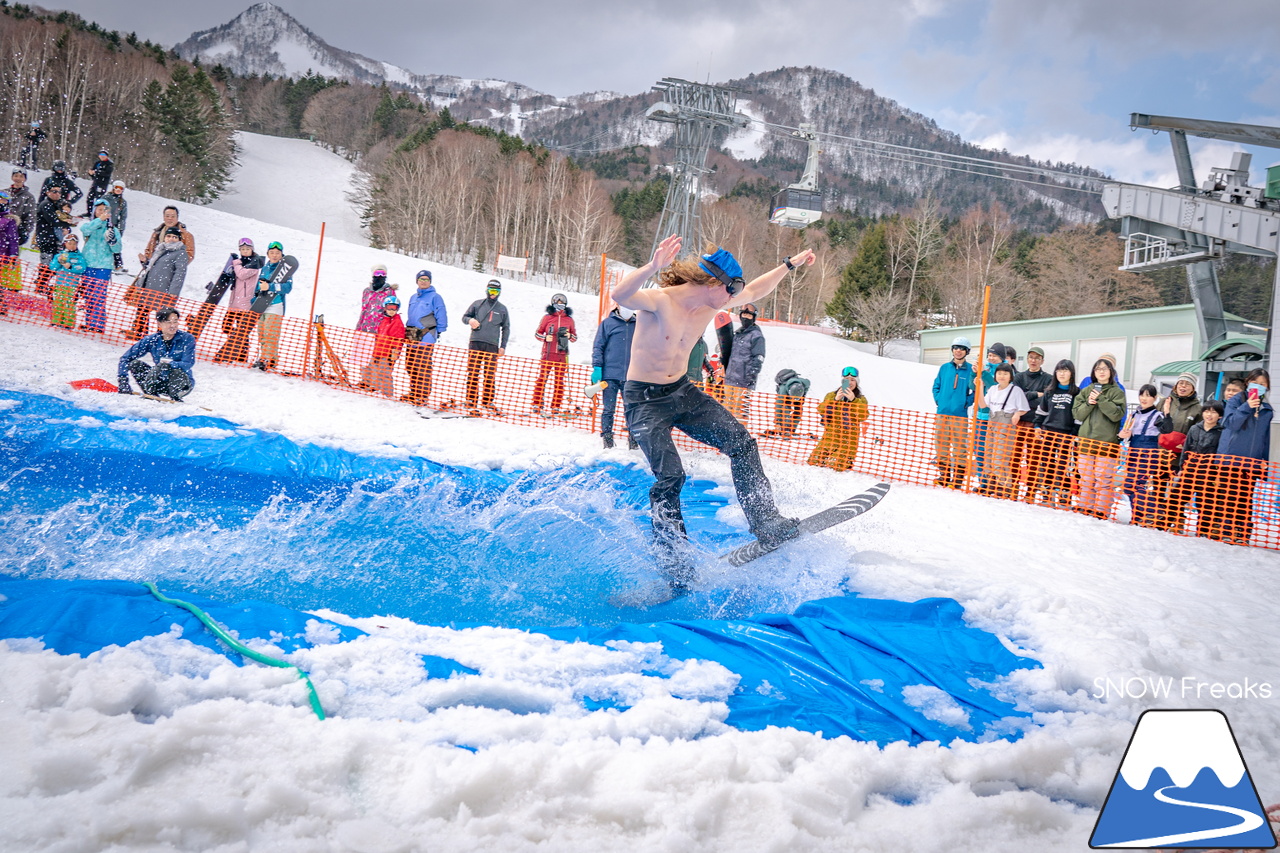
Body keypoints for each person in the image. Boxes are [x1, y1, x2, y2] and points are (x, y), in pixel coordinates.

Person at [613, 235, 816, 590]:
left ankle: (766, 520)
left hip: (681, 391)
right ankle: (675, 565)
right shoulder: (660, 301)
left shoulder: (711, 304)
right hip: (644, 401)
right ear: (712, 283)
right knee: (670, 479)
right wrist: (651, 268)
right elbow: (620, 296)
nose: (736, 296)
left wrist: (788, 265)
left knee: (742, 443)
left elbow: (756, 290)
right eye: (731, 287)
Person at [1216, 368, 1273, 545]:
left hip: (1252, 461)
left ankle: (1243, 533)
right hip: (1231, 459)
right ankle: (1226, 530)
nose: (1259, 387)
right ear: (1248, 383)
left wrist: (1264, 462)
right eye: (1256, 383)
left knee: (1246, 499)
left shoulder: (1267, 409)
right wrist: (1247, 406)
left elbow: (1266, 436)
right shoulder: (1235, 401)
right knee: (1229, 496)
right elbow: (1231, 424)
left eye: (1263, 384)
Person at [1071, 358, 1126, 519]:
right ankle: (1085, 506)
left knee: (1103, 478)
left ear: (1111, 372)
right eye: (1098, 369)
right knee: (1086, 476)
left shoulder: (1117, 392)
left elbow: (1117, 415)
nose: (1101, 372)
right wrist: (1089, 403)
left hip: (1107, 442)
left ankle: (1101, 510)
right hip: (1086, 440)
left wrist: (1101, 399)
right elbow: (1077, 414)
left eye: (1105, 369)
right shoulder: (1086, 390)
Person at [117, 307, 196, 400]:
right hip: (159, 380)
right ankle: (151, 394)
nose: (172, 325)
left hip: (182, 383)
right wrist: (123, 381)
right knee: (135, 364)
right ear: (159, 324)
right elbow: (126, 358)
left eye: (175, 322)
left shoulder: (187, 338)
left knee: (176, 372)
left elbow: (188, 363)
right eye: (168, 322)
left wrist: (170, 365)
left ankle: (175, 396)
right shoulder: (152, 340)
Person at [1174, 399, 1225, 540]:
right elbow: (1186, 448)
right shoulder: (1194, 428)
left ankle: (1204, 528)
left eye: (1214, 412)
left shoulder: (1221, 432)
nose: (1209, 415)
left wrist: (1218, 473)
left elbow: (1221, 452)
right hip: (1190, 469)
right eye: (1207, 411)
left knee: (1206, 502)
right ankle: (1177, 521)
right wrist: (1182, 466)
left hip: (1209, 472)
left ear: (1219, 416)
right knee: (1177, 496)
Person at [127, 226, 189, 341]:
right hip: (149, 288)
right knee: (142, 311)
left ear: (179, 240)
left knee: (163, 316)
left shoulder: (180, 253)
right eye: (169, 236)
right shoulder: (161, 249)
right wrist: (145, 262)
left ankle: (161, 339)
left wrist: (173, 291)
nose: (171, 239)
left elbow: (180, 273)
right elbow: (153, 267)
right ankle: (140, 334)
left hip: (164, 290)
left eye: (175, 237)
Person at [931, 336, 976, 489]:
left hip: (959, 415)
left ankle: (957, 479)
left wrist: (966, 402)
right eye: (956, 347)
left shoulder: (970, 370)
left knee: (959, 447)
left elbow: (975, 391)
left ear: (967, 351)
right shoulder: (945, 368)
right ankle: (944, 476)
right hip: (942, 413)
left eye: (962, 348)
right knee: (941, 445)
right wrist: (939, 400)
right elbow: (936, 386)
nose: (958, 351)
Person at [1034, 359, 1080, 507]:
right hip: (1048, 432)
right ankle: (1047, 495)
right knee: (1047, 464)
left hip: (1066, 434)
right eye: (1059, 370)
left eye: (1065, 370)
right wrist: (1037, 425)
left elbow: (1078, 416)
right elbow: (1041, 411)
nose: (1062, 373)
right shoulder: (1050, 391)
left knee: (1063, 466)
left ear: (1071, 373)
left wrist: (1074, 433)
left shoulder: (1076, 392)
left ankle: (1063, 496)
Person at [592, 303, 637, 450]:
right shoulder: (607, 323)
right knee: (608, 409)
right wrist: (597, 367)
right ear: (618, 306)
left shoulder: (639, 324)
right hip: (610, 375)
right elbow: (598, 346)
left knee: (632, 409)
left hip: (631, 376)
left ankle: (633, 440)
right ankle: (607, 439)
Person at [461, 279, 510, 415]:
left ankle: (488, 401)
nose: (493, 294)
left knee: (489, 374)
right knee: (473, 372)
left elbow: (506, 328)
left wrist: (503, 346)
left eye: (496, 291)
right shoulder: (478, 304)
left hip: (492, 345)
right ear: (487, 290)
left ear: (499, 293)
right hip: (476, 342)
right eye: (491, 290)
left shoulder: (502, 309)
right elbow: (464, 317)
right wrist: (470, 320)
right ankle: (471, 399)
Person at [1118, 384, 1164, 527]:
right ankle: (1137, 516)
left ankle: (1156, 510)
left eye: (1148, 395)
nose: (1144, 398)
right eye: (1142, 395)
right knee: (1136, 486)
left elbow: (1166, 428)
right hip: (1133, 451)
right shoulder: (1134, 414)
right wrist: (1123, 435)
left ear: (1154, 398)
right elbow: (1126, 432)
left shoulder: (1158, 416)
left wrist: (1167, 416)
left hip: (1148, 454)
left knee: (1130, 484)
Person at [982, 362, 1030, 499]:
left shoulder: (1015, 390)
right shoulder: (992, 389)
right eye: (999, 373)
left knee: (1001, 457)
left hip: (1006, 424)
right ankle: (993, 483)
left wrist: (1017, 414)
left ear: (1011, 376)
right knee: (989, 454)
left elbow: (1024, 408)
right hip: (993, 422)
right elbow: (983, 405)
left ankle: (1006, 486)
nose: (1002, 376)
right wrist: (979, 388)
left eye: (1005, 373)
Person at [808, 366, 868, 472]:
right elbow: (822, 410)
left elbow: (863, 416)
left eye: (853, 380)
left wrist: (853, 400)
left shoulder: (861, 399)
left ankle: (847, 461)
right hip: (829, 440)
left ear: (857, 382)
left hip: (847, 443)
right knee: (813, 462)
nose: (849, 382)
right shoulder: (831, 395)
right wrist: (835, 400)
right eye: (847, 380)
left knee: (834, 466)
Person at [214, 238, 264, 364]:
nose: (245, 251)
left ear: (252, 249)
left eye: (247, 249)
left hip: (245, 302)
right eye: (242, 249)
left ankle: (242, 356)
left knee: (242, 330)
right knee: (227, 326)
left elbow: (241, 274)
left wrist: (235, 263)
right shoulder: (241, 262)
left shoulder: (255, 263)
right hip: (235, 301)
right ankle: (236, 349)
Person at [402, 270, 447, 405]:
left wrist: (437, 332)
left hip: (426, 336)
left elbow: (441, 314)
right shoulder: (413, 297)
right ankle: (414, 391)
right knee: (410, 365)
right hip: (411, 335)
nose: (423, 281)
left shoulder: (435, 297)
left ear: (430, 281)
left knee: (423, 366)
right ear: (417, 281)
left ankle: (423, 395)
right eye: (421, 279)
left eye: (426, 279)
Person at [532, 292, 578, 415]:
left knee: (559, 381)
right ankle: (537, 403)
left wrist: (569, 335)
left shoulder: (569, 320)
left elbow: (574, 338)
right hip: (548, 352)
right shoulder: (547, 318)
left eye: (562, 303)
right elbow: (537, 333)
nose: (560, 306)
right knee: (543, 378)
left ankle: (556, 405)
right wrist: (545, 338)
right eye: (558, 303)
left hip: (562, 354)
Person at [76, 198, 118, 333]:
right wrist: (99, 220)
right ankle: (89, 322)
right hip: (88, 264)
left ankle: (98, 324)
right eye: (99, 210)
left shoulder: (113, 229)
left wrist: (112, 241)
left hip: (103, 266)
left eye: (104, 210)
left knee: (99, 295)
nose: (102, 212)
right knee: (88, 294)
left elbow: (117, 249)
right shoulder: (90, 225)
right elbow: (85, 229)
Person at [253, 241, 293, 371]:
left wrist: (270, 286)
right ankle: (270, 359)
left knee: (271, 333)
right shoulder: (265, 268)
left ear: (282, 254)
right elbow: (258, 285)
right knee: (262, 333)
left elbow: (287, 287)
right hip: (262, 304)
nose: (274, 255)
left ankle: (266, 359)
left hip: (276, 305)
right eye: (272, 253)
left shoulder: (285, 269)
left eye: (277, 253)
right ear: (268, 254)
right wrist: (255, 297)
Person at [723, 302, 765, 421]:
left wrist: (751, 376)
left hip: (743, 381)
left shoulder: (756, 336)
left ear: (753, 318)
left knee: (739, 412)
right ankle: (726, 434)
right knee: (727, 410)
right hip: (730, 379)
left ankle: (739, 436)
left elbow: (759, 357)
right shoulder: (738, 334)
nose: (745, 318)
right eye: (743, 315)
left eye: (749, 316)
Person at [973, 341, 1005, 493]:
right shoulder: (984, 368)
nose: (991, 358)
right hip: (980, 414)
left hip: (995, 417)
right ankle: (983, 481)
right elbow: (973, 387)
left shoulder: (1004, 371)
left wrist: (982, 373)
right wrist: (975, 373)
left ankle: (994, 483)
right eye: (990, 355)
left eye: (995, 356)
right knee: (979, 450)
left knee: (992, 452)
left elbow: (994, 385)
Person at [358, 294, 406, 397]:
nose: (392, 310)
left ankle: (387, 394)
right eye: (389, 307)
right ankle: (377, 389)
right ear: (385, 307)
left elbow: (397, 339)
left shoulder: (397, 322)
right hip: (378, 351)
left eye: (394, 308)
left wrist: (395, 352)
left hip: (387, 353)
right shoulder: (383, 321)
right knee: (376, 371)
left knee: (385, 374)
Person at [48, 232, 86, 329]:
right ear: (65, 243)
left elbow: (82, 268)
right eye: (70, 243)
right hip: (60, 283)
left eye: (74, 244)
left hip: (72, 284)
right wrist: (58, 261)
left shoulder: (79, 256)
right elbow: (52, 267)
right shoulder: (60, 255)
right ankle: (56, 320)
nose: (72, 246)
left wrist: (70, 266)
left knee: (69, 303)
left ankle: (68, 322)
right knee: (58, 302)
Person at [33, 183, 65, 296]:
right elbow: (53, 220)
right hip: (46, 238)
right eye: (54, 191)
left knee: (53, 263)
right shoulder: (46, 204)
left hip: (52, 238)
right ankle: (41, 285)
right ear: (48, 192)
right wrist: (65, 222)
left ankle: (43, 284)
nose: (57, 194)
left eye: (59, 192)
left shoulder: (56, 204)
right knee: (46, 263)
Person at [764, 368, 810, 438]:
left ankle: (791, 429)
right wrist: (778, 422)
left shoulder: (805, 383)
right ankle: (783, 429)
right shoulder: (783, 391)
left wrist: (802, 397)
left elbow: (806, 389)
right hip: (786, 393)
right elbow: (779, 407)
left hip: (798, 394)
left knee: (798, 410)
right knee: (785, 409)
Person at [356, 263, 397, 332]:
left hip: (379, 331)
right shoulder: (367, 291)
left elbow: (391, 312)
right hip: (364, 329)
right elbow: (363, 310)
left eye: (383, 274)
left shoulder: (389, 292)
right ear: (373, 275)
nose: (380, 276)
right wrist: (358, 328)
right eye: (377, 273)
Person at [7, 169, 36, 247]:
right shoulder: (4, 193)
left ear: (25, 179)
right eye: (16, 176)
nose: (18, 179)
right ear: (12, 177)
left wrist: (25, 231)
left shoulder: (29, 197)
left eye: (21, 176)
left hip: (16, 232)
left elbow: (31, 216)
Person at [0, 191, 19, 304]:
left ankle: (2, 304)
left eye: (3, 199)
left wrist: (13, 255)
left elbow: (13, 239)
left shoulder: (8, 220)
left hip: (2, 255)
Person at [105, 180, 128, 272]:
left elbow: (123, 216)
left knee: (115, 244)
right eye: (117, 188)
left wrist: (120, 228)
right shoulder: (106, 198)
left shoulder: (122, 202)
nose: (118, 190)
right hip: (105, 224)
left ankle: (118, 265)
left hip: (114, 226)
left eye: (121, 189)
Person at [83, 150, 113, 216]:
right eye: (101, 155)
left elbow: (107, 173)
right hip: (95, 182)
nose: (102, 156)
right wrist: (91, 173)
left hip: (102, 184)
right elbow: (93, 171)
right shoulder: (97, 162)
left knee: (100, 199)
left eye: (104, 155)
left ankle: (99, 213)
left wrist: (96, 172)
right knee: (90, 197)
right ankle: (89, 212)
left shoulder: (109, 164)